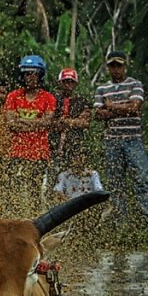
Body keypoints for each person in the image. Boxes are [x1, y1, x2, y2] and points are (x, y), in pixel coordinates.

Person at [93, 51, 148, 229]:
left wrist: (111, 107)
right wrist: (120, 109)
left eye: (119, 65)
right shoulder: (102, 88)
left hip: (133, 139)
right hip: (112, 140)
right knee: (116, 182)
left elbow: (135, 107)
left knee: (142, 178)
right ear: (108, 67)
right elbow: (99, 114)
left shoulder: (135, 84)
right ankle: (121, 222)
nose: (116, 69)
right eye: (112, 66)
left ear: (125, 66)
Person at [3, 54, 57, 208]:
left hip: (39, 153)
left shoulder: (48, 98)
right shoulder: (13, 96)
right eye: (27, 73)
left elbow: (46, 123)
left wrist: (22, 120)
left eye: (34, 73)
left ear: (40, 75)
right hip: (16, 152)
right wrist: (35, 122)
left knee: (35, 191)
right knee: (12, 190)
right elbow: (10, 123)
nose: (30, 77)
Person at [49, 68, 99, 200]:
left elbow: (85, 122)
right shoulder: (52, 99)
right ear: (60, 83)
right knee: (52, 180)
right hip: (53, 146)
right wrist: (72, 121)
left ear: (75, 84)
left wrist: (64, 121)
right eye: (65, 82)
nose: (68, 85)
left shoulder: (82, 101)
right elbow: (49, 120)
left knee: (75, 179)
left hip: (74, 148)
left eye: (71, 82)